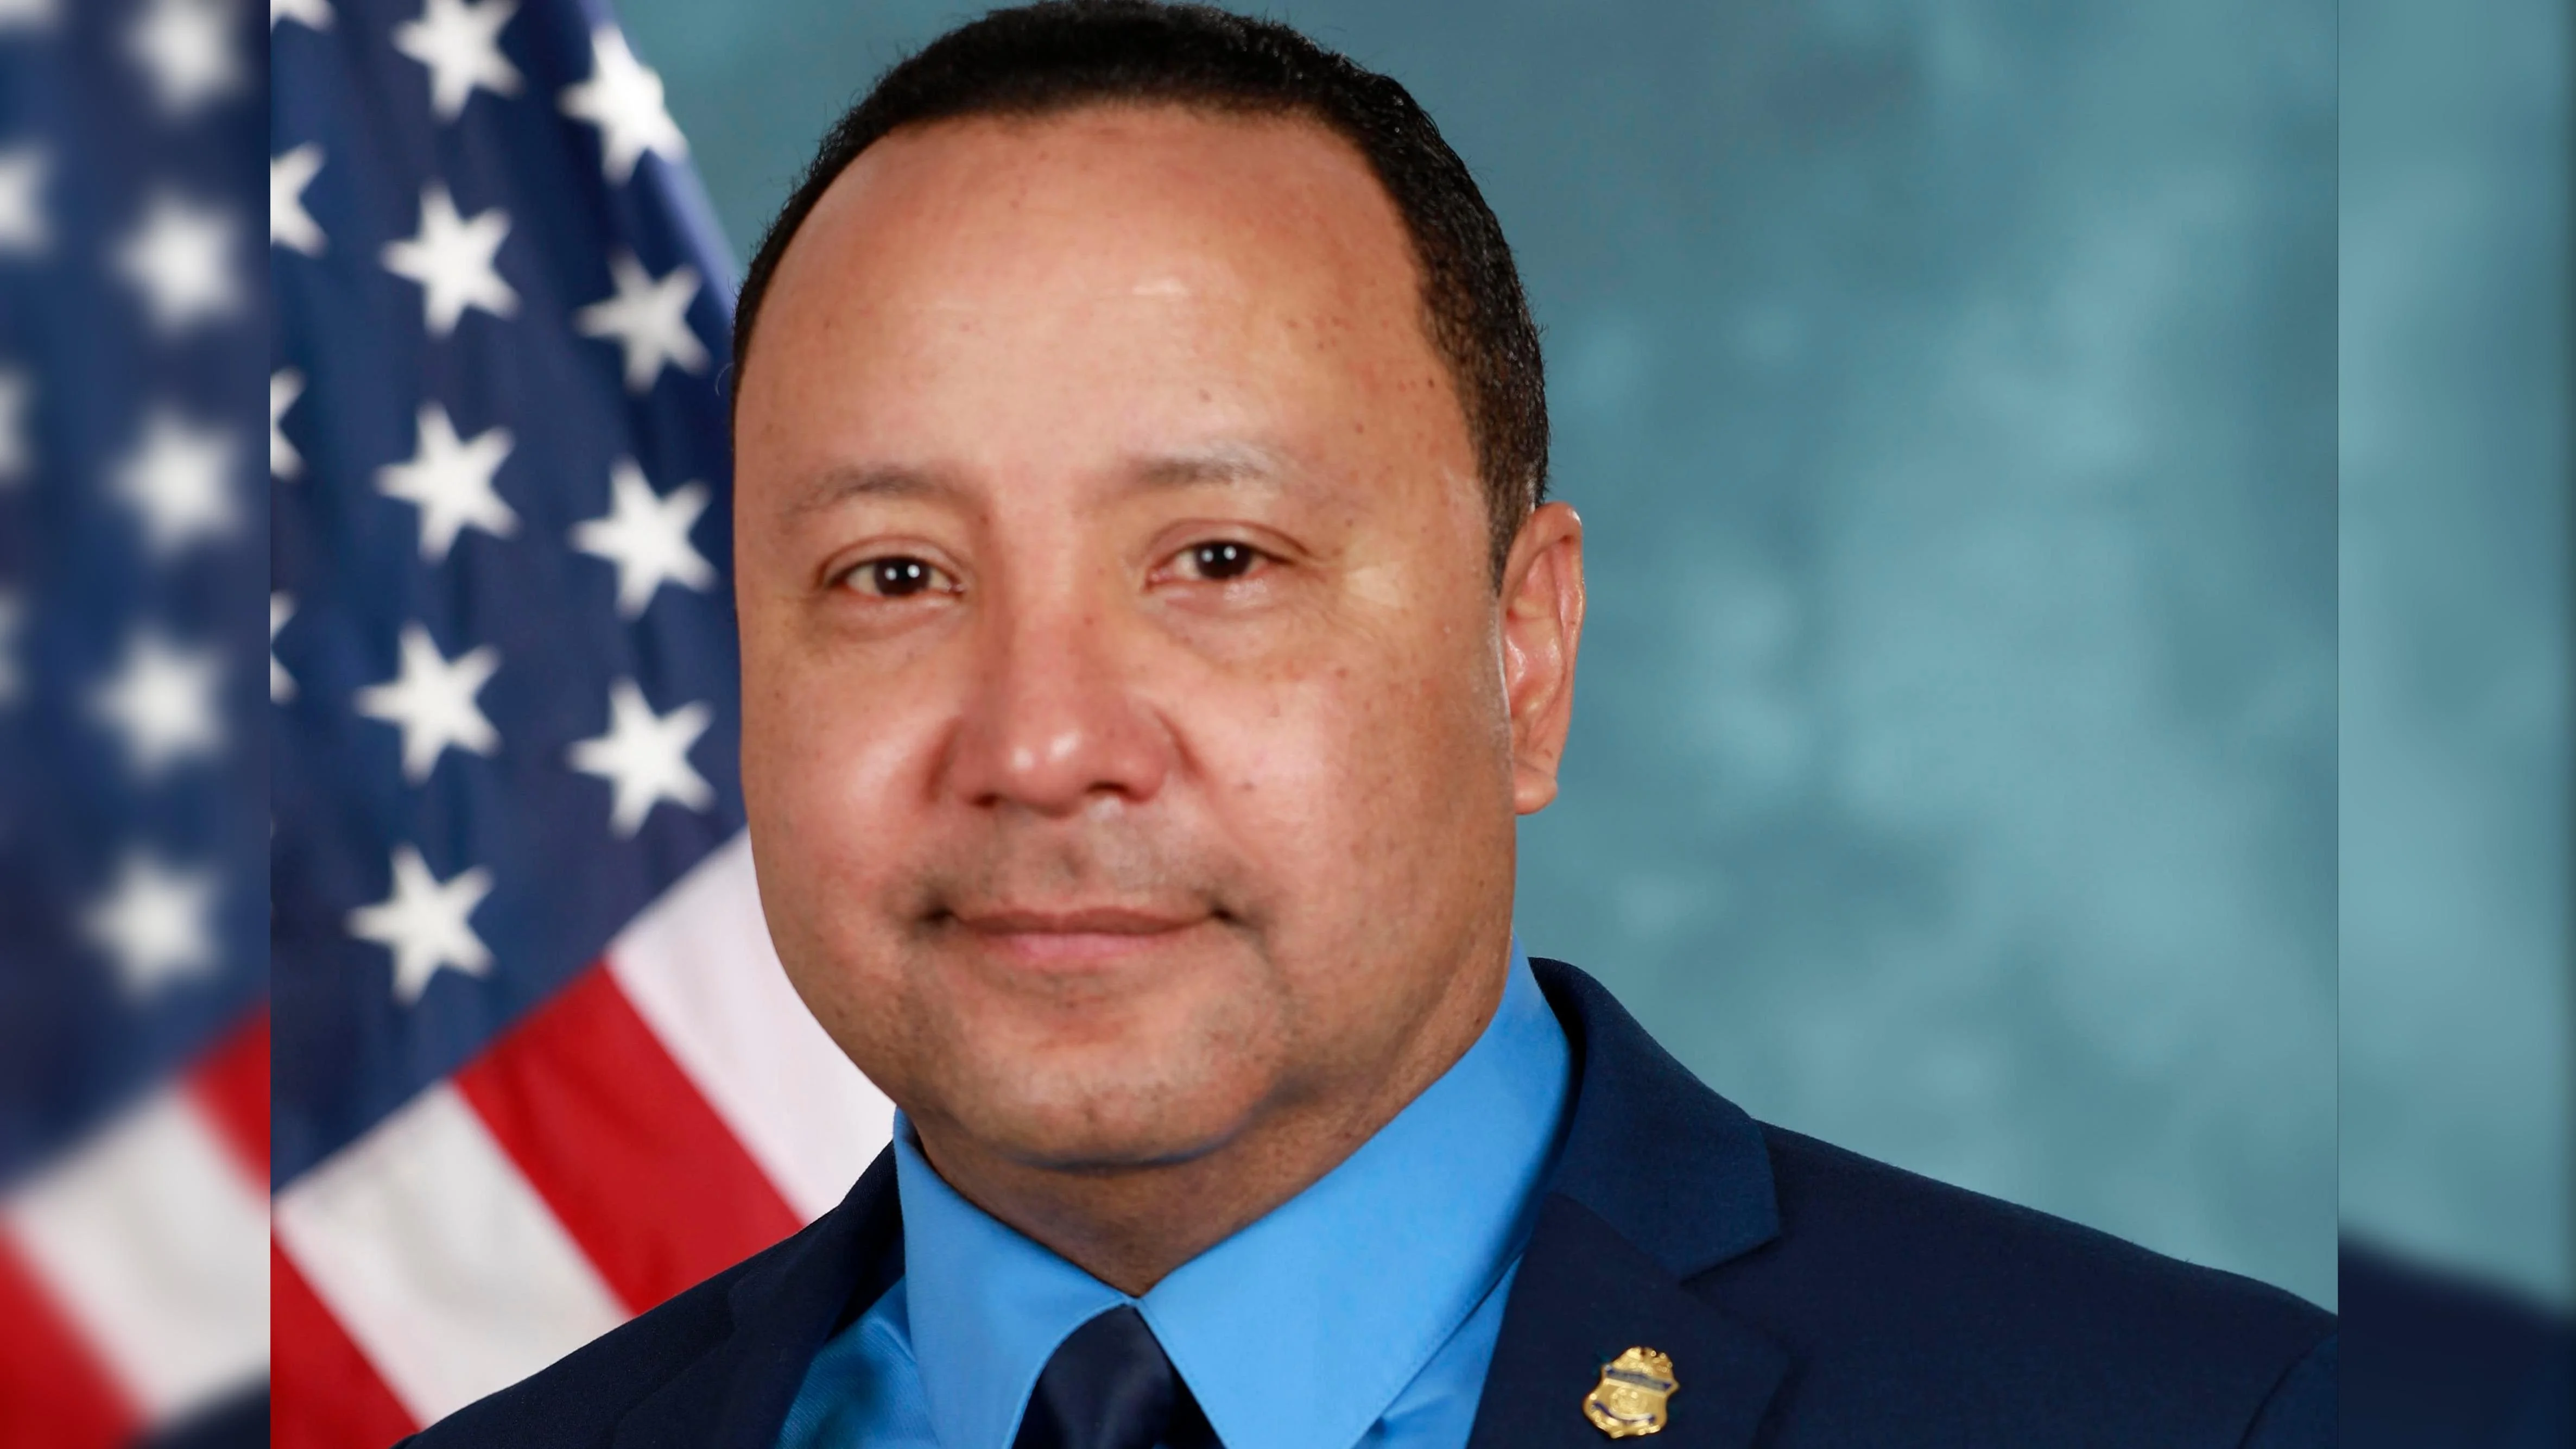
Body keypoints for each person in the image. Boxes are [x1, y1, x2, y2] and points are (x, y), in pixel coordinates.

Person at [407, 4, 2333, 1445]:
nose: (1044, 745)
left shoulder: (2205, 1420)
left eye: (1218, 558)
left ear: (1526, 654)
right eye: (896, 574)